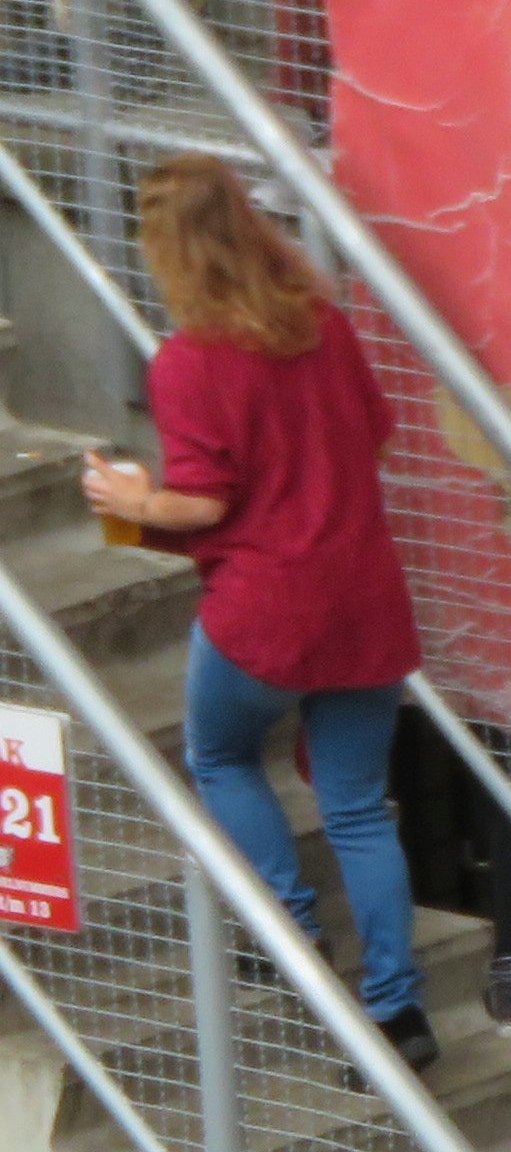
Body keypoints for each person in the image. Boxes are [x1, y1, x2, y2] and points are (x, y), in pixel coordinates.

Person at [86, 159, 427, 1067]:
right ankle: (400, 1010)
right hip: (366, 602)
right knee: (358, 811)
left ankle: (290, 934)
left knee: (220, 756)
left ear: (166, 251)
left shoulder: (189, 361)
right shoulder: (324, 324)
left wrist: (130, 498)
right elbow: (377, 432)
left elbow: (201, 501)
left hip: (266, 613)